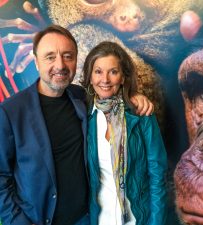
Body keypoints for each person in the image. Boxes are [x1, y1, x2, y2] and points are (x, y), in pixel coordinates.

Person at [0, 25, 153, 225]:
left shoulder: (81, 97)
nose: (60, 65)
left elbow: (111, 95)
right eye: (50, 57)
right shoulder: (10, 112)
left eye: (67, 56)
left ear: (76, 60)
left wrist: (134, 96)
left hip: (87, 218)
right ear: (36, 62)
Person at [80, 41, 168, 225]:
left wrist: (156, 222)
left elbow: (157, 177)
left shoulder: (142, 115)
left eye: (113, 72)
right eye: (98, 71)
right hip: (100, 219)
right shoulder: (83, 116)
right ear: (89, 77)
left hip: (137, 219)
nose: (105, 79)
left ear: (122, 77)